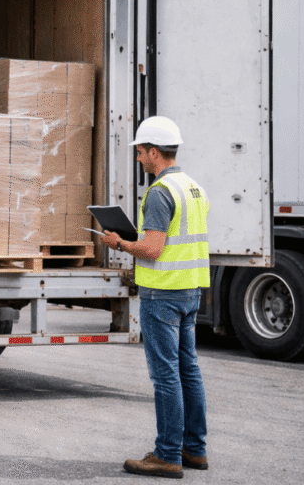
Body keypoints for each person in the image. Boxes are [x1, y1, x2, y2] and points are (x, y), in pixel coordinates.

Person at [102, 116, 210, 479]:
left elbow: (151, 249)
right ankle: (193, 450)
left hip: (162, 295)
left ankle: (167, 455)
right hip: (189, 291)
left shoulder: (160, 192)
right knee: (188, 371)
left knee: (166, 377)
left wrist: (118, 242)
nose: (138, 159)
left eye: (140, 152)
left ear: (154, 152)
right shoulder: (194, 188)